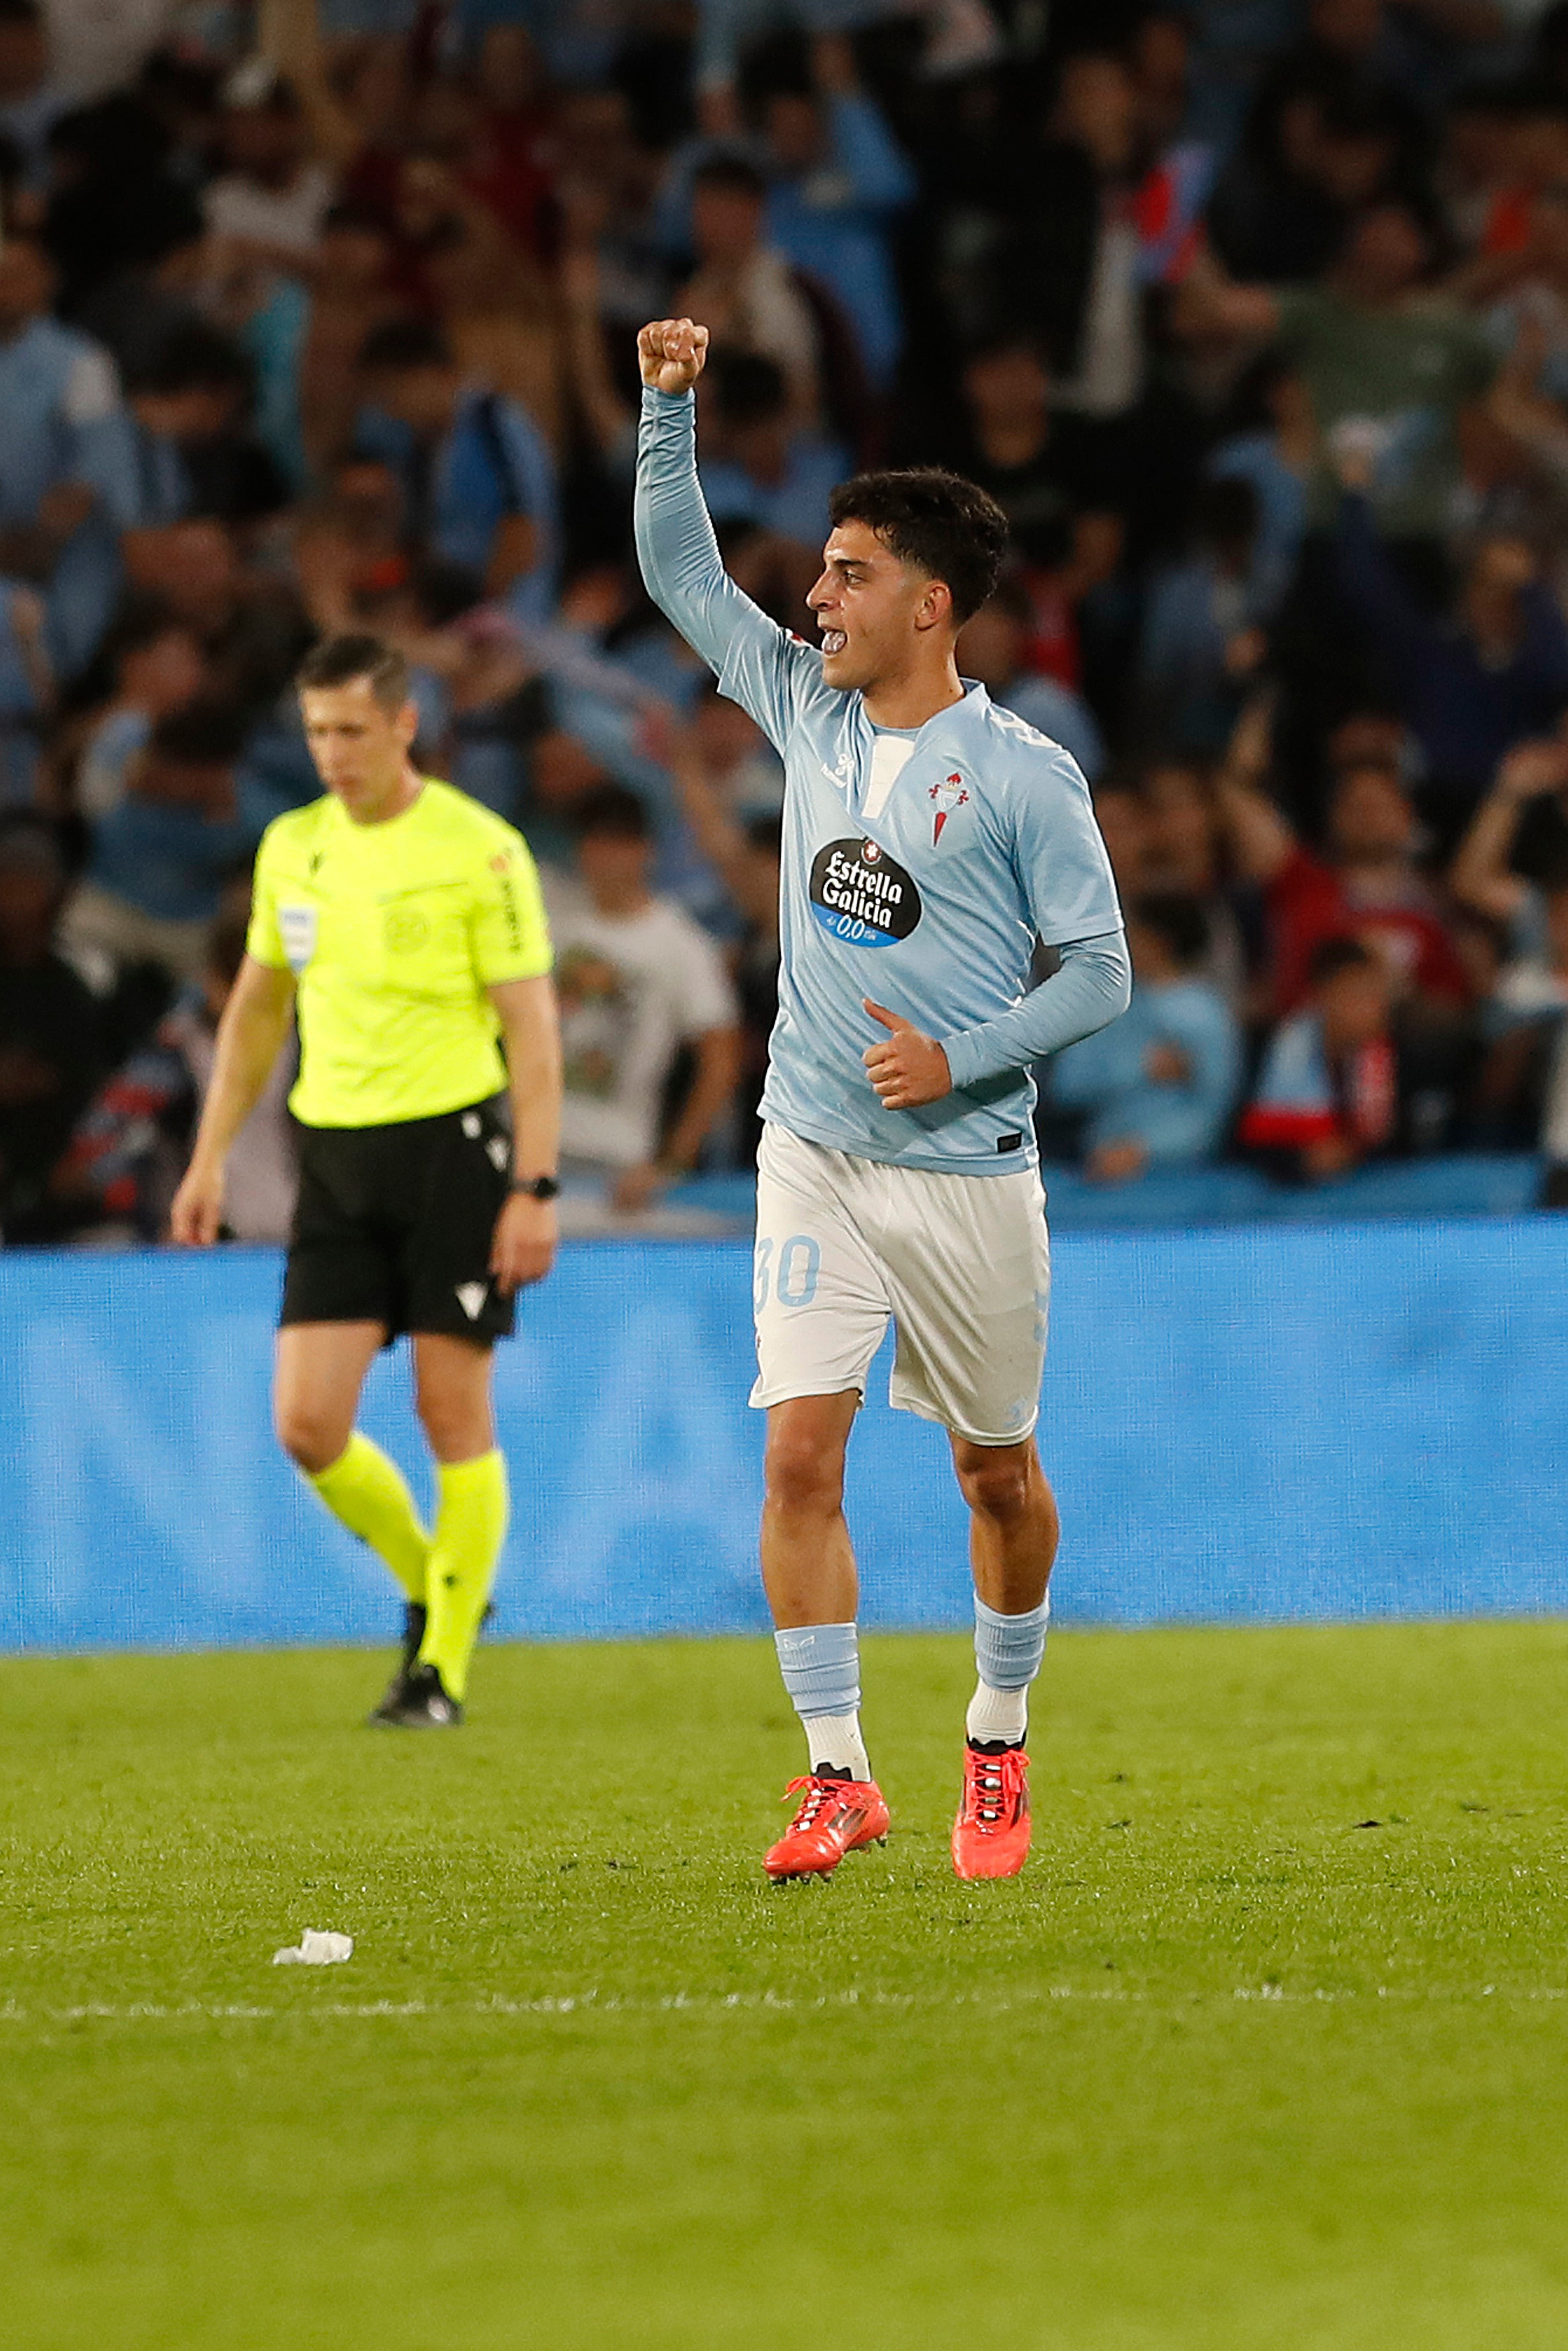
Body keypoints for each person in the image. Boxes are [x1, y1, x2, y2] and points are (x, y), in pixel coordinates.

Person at [634, 316, 1129, 1883]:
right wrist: (665, 415)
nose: (813, 596)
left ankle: (995, 1727)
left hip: (966, 1171)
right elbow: (680, 580)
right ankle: (837, 1772)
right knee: (795, 1459)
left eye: (845, 574)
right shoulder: (807, 711)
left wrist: (967, 1051)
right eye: (819, 571)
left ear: (928, 602)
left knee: (996, 1474)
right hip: (814, 1152)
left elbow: (1099, 973)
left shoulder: (1027, 775)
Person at [169, 632, 561, 1730]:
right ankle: (437, 1581)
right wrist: (207, 1156)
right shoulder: (293, 847)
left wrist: (536, 1184)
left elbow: (531, 1032)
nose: (333, 752)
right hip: (333, 1157)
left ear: (403, 725)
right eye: (316, 733)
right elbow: (256, 1009)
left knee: (451, 1412)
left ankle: (437, 1670)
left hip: (454, 1149)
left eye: (350, 729)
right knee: (306, 1424)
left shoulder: (480, 849)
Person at [547, 783, 741, 1215]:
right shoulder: (549, 919)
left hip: (618, 1165)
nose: (607, 856)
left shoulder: (682, 944)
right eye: (596, 841)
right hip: (529, 1149)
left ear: (646, 850)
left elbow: (721, 1059)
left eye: (620, 843)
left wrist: (672, 1163)